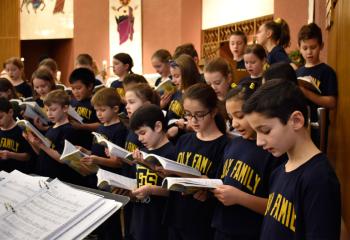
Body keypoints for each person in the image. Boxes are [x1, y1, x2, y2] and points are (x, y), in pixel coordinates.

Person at [243, 79, 341, 239]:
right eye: (256, 132)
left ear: (296, 120)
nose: (259, 141)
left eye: (265, 130)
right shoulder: (278, 171)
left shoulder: (319, 179)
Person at [211, 82, 281, 239]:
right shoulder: (234, 144)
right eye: (230, 117)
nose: (234, 124)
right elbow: (222, 182)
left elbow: (276, 206)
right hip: (222, 228)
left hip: (249, 232)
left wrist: (239, 197)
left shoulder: (272, 151)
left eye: (240, 116)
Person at [164, 83, 229, 240]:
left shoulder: (225, 145)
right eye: (188, 114)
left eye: (199, 115)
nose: (192, 120)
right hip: (176, 214)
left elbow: (222, 184)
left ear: (213, 112)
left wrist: (208, 190)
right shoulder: (184, 139)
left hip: (202, 220)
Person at [129, 104, 175, 240]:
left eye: (143, 133)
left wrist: (151, 190)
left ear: (158, 127)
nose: (140, 139)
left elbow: (174, 191)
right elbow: (136, 181)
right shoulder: (141, 152)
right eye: (137, 135)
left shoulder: (171, 153)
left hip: (159, 222)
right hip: (139, 219)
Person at [24, 90, 84, 184]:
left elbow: (63, 159)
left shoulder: (69, 130)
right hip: (44, 175)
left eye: (53, 110)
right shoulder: (52, 127)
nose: (49, 114)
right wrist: (30, 141)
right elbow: (42, 153)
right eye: (47, 110)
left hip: (58, 179)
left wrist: (42, 145)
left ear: (65, 108)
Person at [296, 22, 338, 150]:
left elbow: (332, 102)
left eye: (313, 47)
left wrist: (307, 93)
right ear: (299, 48)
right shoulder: (298, 72)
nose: (309, 52)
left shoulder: (327, 71)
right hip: (300, 125)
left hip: (318, 127)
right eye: (305, 48)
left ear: (321, 46)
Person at [166, 54, 201, 140]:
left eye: (177, 76)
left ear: (188, 75)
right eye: (172, 76)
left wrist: (184, 126)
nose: (173, 81)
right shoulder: (177, 92)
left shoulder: (196, 95)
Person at [69, 68, 100, 150]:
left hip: (88, 145)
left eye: (78, 88)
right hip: (75, 142)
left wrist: (81, 126)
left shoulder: (96, 102)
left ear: (89, 86)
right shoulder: (72, 102)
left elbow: (101, 125)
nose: (75, 92)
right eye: (73, 88)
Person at [0, 97, 33, 173]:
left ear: (10, 112)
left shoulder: (21, 129)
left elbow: (28, 156)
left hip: (18, 173)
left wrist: (10, 155)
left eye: (0, 117)